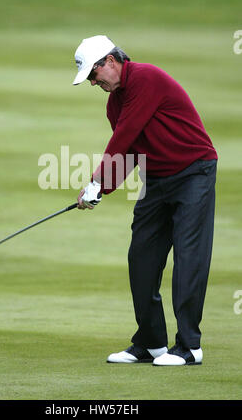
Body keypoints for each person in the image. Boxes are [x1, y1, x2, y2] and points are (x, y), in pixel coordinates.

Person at [73, 35, 218, 366]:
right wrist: (100, 190)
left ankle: (189, 346)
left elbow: (122, 137)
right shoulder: (115, 103)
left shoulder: (146, 78)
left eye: (94, 75)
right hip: (157, 181)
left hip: (194, 172)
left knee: (188, 257)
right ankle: (151, 342)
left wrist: (96, 181)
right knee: (141, 258)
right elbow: (129, 153)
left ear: (110, 61)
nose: (94, 83)